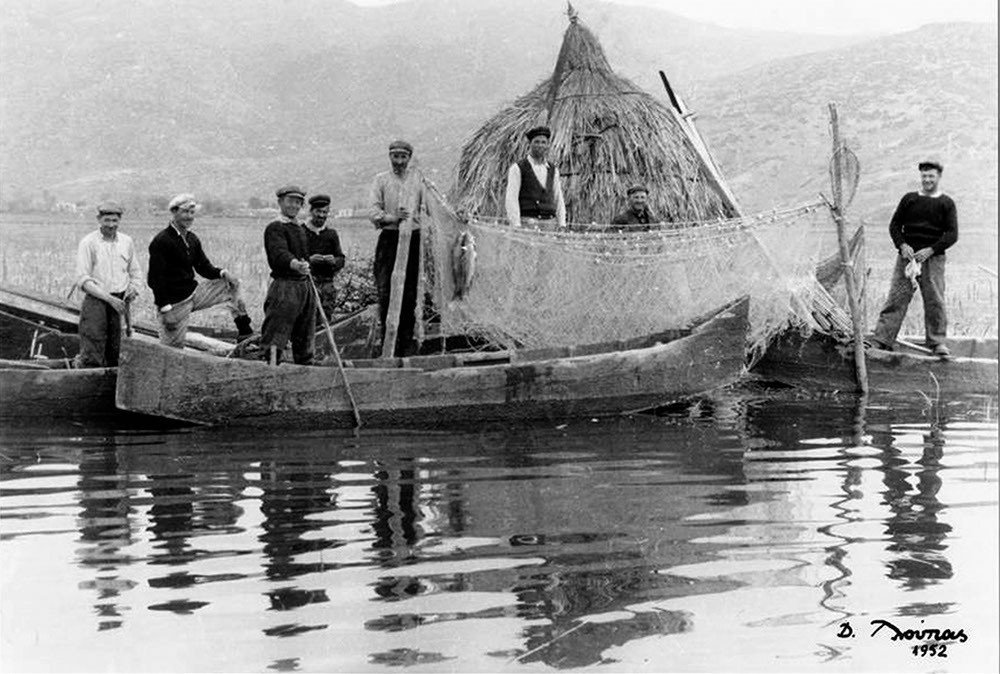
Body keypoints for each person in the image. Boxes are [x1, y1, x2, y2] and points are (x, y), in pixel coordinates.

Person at [869, 161, 958, 356]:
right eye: (924, 176)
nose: (927, 180)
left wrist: (931, 250)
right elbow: (894, 225)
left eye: (931, 176)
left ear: (938, 177)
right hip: (907, 259)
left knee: (935, 300)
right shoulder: (909, 199)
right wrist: (902, 245)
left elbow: (952, 234)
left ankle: (937, 343)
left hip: (933, 260)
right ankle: (882, 340)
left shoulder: (946, 203)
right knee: (897, 298)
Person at [147, 193, 252, 348]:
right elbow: (155, 279)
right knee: (172, 350)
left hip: (194, 293)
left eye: (192, 212)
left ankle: (245, 331)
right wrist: (166, 310)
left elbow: (203, 267)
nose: (189, 217)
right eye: (185, 212)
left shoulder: (192, 238)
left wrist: (223, 273)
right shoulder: (162, 241)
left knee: (232, 284)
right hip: (175, 303)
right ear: (174, 212)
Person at [369, 139, 425, 357]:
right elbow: (374, 212)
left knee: (410, 294)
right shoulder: (381, 180)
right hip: (390, 240)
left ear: (409, 158)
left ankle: (406, 346)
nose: (399, 161)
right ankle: (388, 344)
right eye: (395, 156)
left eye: (403, 157)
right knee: (386, 291)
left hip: (413, 239)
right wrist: (393, 217)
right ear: (390, 157)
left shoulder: (418, 180)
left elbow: (432, 207)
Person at [74, 201, 143, 367]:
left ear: (119, 221)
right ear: (99, 219)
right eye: (107, 220)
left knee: (117, 348)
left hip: (120, 301)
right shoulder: (88, 242)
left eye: (115, 220)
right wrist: (109, 299)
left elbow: (135, 272)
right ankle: (89, 377)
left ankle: (111, 380)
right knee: (93, 347)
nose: (111, 225)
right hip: (96, 301)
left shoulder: (126, 242)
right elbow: (82, 279)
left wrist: (133, 289)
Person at [260, 185, 316, 364]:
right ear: (280, 202)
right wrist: (296, 265)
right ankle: (271, 369)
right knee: (276, 336)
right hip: (285, 288)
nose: (294, 206)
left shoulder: (299, 228)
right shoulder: (275, 227)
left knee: (305, 336)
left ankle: (304, 369)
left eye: (298, 202)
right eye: (290, 201)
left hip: (305, 286)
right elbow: (279, 254)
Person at [504, 125, 567, 229]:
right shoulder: (518, 168)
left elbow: (558, 197)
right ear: (530, 144)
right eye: (536, 142)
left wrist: (562, 224)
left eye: (543, 142)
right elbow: (511, 198)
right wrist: (516, 225)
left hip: (549, 223)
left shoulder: (553, 170)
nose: (540, 145)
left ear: (547, 145)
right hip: (527, 222)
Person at [304, 193, 346, 325]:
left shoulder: (331, 234)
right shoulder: (301, 232)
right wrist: (310, 260)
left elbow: (341, 258)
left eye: (325, 212)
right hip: (307, 284)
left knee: (325, 321)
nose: (322, 215)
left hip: (327, 286)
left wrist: (334, 261)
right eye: (318, 211)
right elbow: (295, 257)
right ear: (311, 211)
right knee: (307, 320)